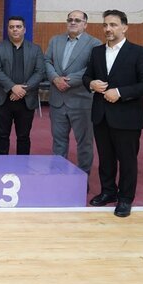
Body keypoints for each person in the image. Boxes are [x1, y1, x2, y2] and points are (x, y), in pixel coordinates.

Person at [83, 10, 143, 218]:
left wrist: (120, 93)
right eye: (105, 25)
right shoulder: (97, 52)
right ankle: (108, 191)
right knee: (105, 158)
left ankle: (125, 198)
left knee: (127, 160)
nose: (108, 29)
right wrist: (91, 83)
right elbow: (87, 76)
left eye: (113, 25)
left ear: (125, 27)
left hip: (127, 116)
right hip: (101, 115)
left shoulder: (139, 52)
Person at [44, 11, 101, 174]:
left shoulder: (94, 43)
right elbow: (47, 61)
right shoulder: (55, 40)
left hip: (81, 101)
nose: (73, 22)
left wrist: (67, 81)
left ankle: (82, 178)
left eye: (77, 20)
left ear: (85, 24)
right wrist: (55, 78)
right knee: (59, 142)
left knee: (84, 143)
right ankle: (58, 176)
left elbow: (91, 68)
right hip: (57, 101)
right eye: (70, 19)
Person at [0, 16, 45, 155]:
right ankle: (2, 163)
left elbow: (40, 72)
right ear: (8, 29)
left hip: (26, 99)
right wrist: (13, 87)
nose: (15, 29)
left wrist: (22, 90)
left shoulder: (35, 49)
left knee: (23, 136)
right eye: (11, 27)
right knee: (2, 135)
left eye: (18, 27)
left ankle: (23, 164)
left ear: (24, 29)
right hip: (3, 98)